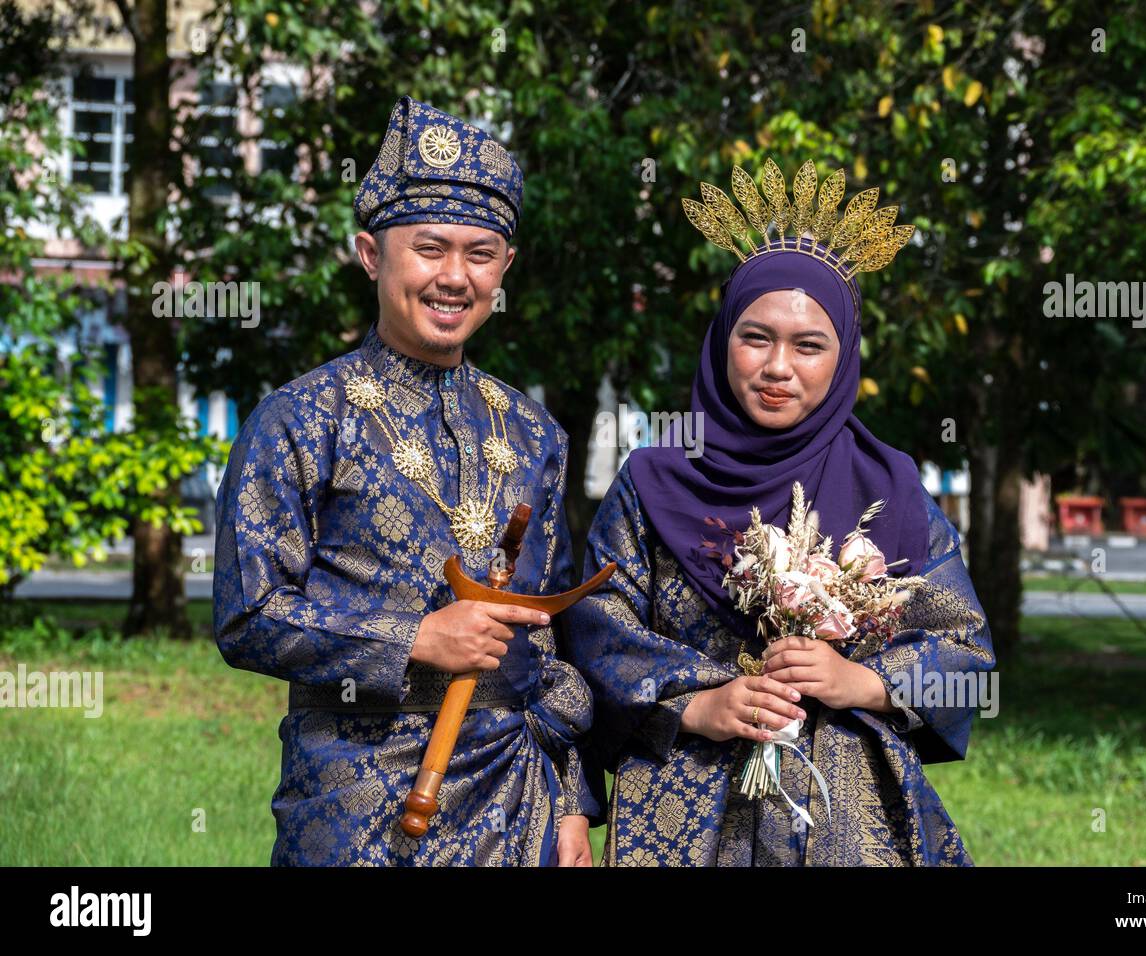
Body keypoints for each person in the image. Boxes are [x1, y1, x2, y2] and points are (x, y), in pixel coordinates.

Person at [564, 159, 995, 866]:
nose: (777, 367)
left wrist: (865, 681)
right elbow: (592, 634)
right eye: (756, 337)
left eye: (808, 345)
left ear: (844, 357)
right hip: (684, 804)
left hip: (847, 813)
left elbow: (966, 650)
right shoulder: (652, 480)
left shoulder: (890, 486)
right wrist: (697, 704)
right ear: (721, 339)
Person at [213, 96, 601, 866]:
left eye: (480, 254)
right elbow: (248, 614)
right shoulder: (298, 420)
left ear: (506, 269)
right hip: (356, 801)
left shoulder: (533, 434)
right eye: (430, 248)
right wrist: (418, 637)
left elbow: (551, 642)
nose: (454, 277)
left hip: (513, 799)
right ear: (370, 254)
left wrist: (571, 804)